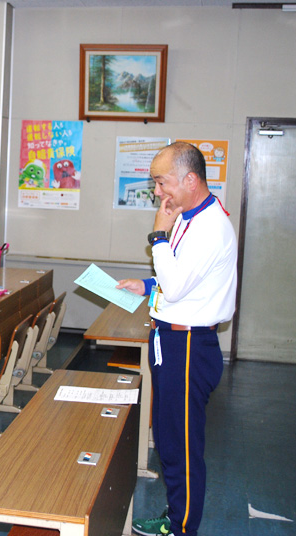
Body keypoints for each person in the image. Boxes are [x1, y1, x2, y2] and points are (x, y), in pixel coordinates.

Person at [116, 142, 237, 536]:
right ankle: (175, 514)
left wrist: (158, 234)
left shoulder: (210, 226)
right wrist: (147, 283)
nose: (157, 192)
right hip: (171, 340)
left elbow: (178, 284)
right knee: (169, 439)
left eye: (161, 181)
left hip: (188, 347)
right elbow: (180, 276)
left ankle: (183, 527)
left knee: (182, 446)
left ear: (190, 179)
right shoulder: (188, 214)